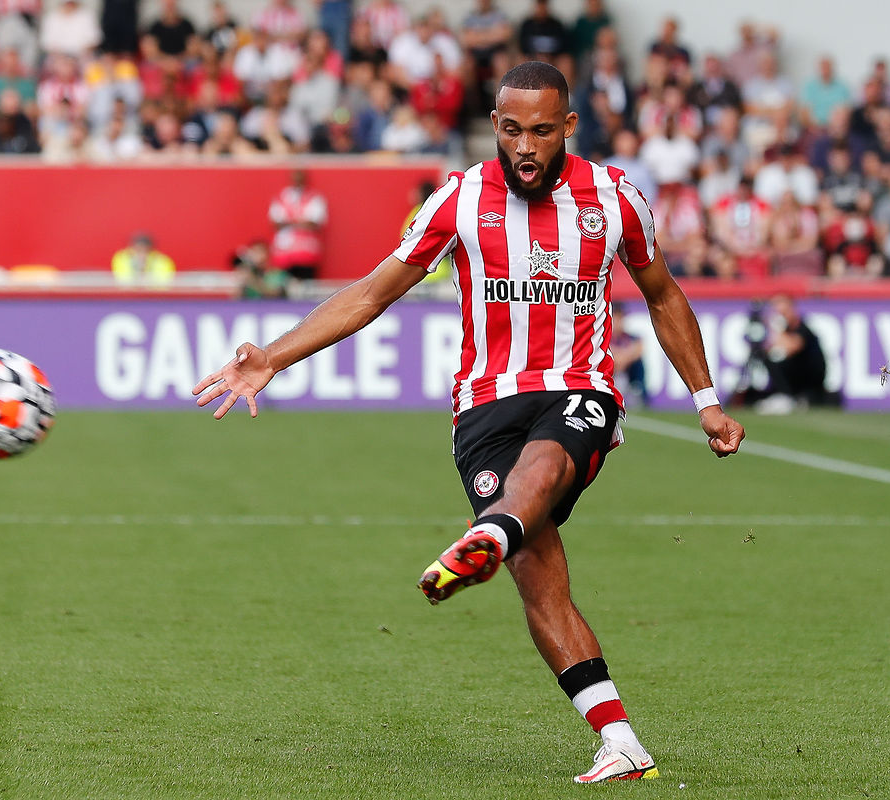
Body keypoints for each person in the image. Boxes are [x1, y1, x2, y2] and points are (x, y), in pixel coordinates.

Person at [193, 61, 744, 784]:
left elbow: (663, 296)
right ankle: (620, 741)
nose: (525, 145)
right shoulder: (458, 201)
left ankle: (488, 533)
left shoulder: (612, 200)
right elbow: (372, 293)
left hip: (578, 390)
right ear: (494, 125)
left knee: (536, 476)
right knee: (535, 569)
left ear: (568, 128)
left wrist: (704, 397)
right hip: (482, 408)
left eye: (542, 130)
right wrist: (274, 356)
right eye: (511, 128)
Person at [111, 232, 176, 285]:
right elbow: (122, 279)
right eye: (138, 250)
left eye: (145, 250)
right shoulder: (122, 258)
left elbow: (165, 282)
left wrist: (147, 267)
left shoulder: (162, 261)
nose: (142, 254)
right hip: (127, 297)